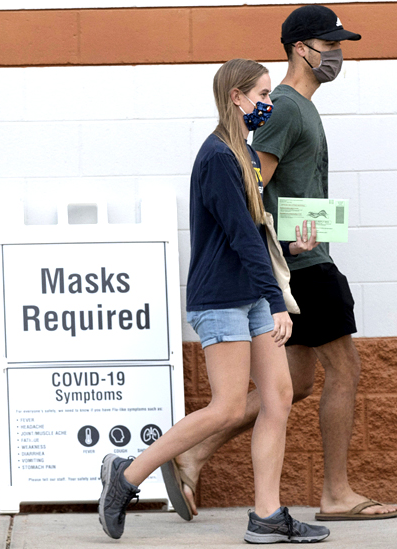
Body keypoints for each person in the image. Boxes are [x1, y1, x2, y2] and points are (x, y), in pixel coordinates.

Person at [162, 6, 397, 522]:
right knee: (344, 371)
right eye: (328, 44)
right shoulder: (287, 108)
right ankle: (335, 494)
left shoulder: (297, 107)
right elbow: (253, 187)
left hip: (306, 257)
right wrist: (287, 247)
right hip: (304, 266)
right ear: (300, 49)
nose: (336, 54)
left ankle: (192, 452)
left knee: (291, 386)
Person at [97, 58, 330, 544]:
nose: (268, 103)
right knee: (226, 408)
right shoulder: (219, 156)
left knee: (279, 397)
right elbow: (241, 236)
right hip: (223, 298)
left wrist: (290, 248)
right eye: (262, 95)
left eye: (268, 95)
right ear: (236, 98)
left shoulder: (244, 153)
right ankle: (125, 475)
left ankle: (267, 514)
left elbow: (253, 236)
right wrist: (279, 301)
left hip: (251, 296)